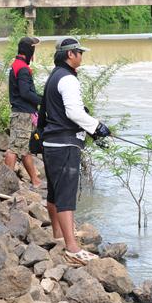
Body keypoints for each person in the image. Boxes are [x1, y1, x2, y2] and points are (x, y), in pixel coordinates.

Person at [40, 37, 111, 266]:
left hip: (51, 144)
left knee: (54, 193)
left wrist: (91, 132)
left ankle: (58, 236)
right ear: (71, 55)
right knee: (66, 197)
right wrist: (97, 127)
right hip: (65, 145)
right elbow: (73, 112)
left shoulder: (53, 76)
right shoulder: (68, 79)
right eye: (80, 52)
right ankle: (72, 249)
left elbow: (52, 111)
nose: (82, 55)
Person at [6, 36, 43, 188]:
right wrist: (44, 100)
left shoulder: (18, 65)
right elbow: (25, 93)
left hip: (23, 113)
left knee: (24, 148)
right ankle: (4, 183)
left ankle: (35, 180)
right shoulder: (22, 68)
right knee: (14, 149)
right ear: (29, 51)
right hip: (22, 113)